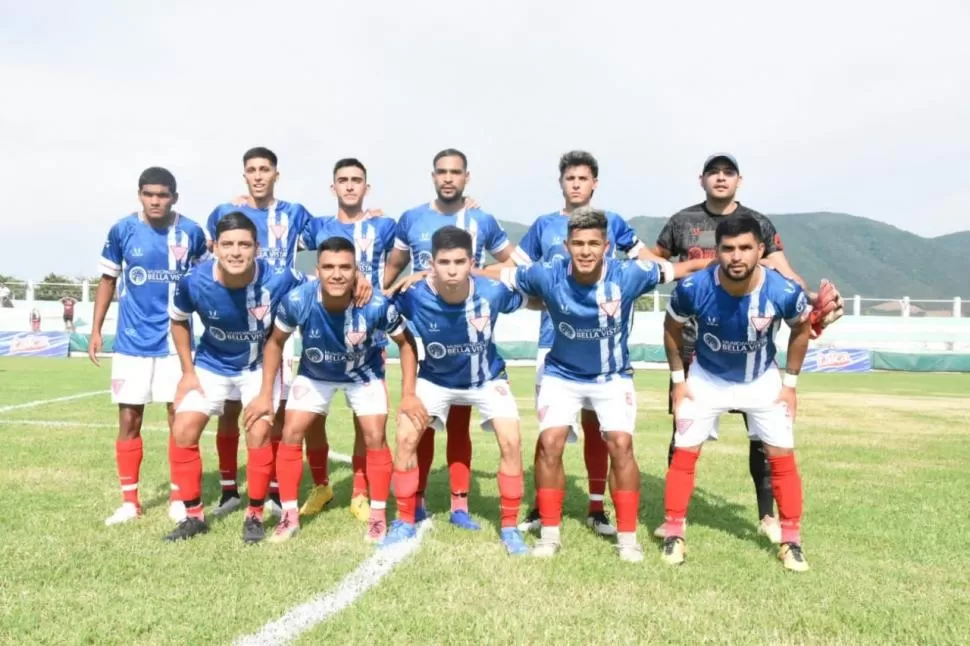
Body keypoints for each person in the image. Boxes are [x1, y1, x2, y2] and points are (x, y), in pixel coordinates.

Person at [650, 153, 843, 542]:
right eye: (713, 173)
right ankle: (676, 520)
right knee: (682, 436)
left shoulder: (759, 224)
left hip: (753, 348)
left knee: (763, 439)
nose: (720, 179)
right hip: (696, 349)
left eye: (728, 173)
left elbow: (783, 272)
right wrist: (689, 272)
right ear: (701, 179)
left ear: (739, 180)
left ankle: (768, 515)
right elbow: (654, 263)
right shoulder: (682, 222)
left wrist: (809, 302)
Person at [496, 207, 707, 561]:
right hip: (561, 374)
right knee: (550, 443)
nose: (586, 251)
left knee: (621, 445)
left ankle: (627, 539)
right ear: (566, 245)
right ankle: (549, 535)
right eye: (578, 243)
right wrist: (440, 272)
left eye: (593, 243)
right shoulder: (547, 274)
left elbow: (682, 268)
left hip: (612, 377)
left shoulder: (630, 274)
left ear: (607, 246)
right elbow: (499, 274)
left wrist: (736, 268)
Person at [504, 150, 657, 537]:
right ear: (561, 183)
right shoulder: (543, 226)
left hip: (603, 348)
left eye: (583, 179)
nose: (576, 185)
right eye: (570, 179)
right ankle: (543, 508)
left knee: (598, 429)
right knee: (550, 435)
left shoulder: (612, 223)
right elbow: (517, 270)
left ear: (594, 184)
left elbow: (646, 259)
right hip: (551, 344)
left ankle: (596, 507)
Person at [660, 213, 813, 572]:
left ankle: (791, 541)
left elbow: (802, 329)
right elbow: (671, 328)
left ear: (761, 250)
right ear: (718, 252)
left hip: (761, 380)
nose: (737, 256)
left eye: (746, 248)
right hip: (706, 377)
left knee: (781, 456)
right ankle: (673, 531)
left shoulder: (782, 290)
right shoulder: (693, 287)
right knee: (684, 454)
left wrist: (790, 384)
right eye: (728, 249)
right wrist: (679, 380)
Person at [249, 236, 424, 544]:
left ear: (356, 270)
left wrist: (408, 393)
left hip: (364, 373)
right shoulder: (298, 299)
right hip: (315, 374)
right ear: (317, 270)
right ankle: (289, 517)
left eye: (345, 267)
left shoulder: (376, 304)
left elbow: (407, 345)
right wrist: (265, 394)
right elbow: (274, 342)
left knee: (374, 435)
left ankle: (378, 516)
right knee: (291, 431)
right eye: (328, 267)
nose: (337, 274)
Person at [383, 148, 516, 531]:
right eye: (441, 172)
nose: (448, 178)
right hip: (430, 329)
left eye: (455, 172)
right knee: (422, 420)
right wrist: (400, 284)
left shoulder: (482, 218)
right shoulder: (411, 218)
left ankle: (460, 505)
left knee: (459, 425)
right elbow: (393, 268)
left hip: (469, 325)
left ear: (466, 177)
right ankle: (417, 500)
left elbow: (511, 265)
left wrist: (477, 271)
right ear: (432, 176)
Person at [382, 226, 528, 554]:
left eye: (460, 262)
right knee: (406, 436)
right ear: (431, 263)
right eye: (444, 262)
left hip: (487, 379)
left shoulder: (493, 293)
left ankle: (509, 527)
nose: (452, 269)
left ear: (471, 262)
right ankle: (405, 519)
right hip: (435, 381)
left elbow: (530, 295)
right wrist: (396, 285)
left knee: (512, 440)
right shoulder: (415, 295)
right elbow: (381, 302)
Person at [165, 212, 305, 543]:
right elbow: (178, 320)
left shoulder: (280, 278)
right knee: (183, 429)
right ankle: (193, 516)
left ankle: (254, 514)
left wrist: (359, 278)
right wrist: (187, 372)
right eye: (227, 244)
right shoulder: (194, 281)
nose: (236, 252)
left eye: (244, 244)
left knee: (258, 432)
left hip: (259, 367)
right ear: (214, 247)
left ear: (257, 247)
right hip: (211, 365)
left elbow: (322, 281)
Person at [91, 167, 208, 526]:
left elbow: (204, 284)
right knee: (129, 417)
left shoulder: (191, 232)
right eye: (149, 194)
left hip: (176, 344)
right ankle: (130, 502)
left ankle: (178, 496)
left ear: (174, 196)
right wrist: (96, 329)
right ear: (140, 195)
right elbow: (108, 280)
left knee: (180, 419)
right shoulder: (122, 230)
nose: (155, 200)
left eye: (163, 194)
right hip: (131, 342)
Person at [204, 147, 316, 520]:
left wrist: (367, 214)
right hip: (237, 317)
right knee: (229, 407)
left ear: (275, 175)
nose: (258, 176)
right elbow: (208, 252)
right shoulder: (225, 213)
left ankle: (269, 491)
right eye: (251, 170)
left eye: (264, 169)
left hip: (278, 319)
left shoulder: (294, 213)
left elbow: (327, 237)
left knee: (275, 409)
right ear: (244, 175)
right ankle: (228, 490)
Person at [295, 158, 398, 522]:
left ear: (366, 187)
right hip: (321, 328)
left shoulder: (384, 225)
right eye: (343, 180)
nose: (350, 186)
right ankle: (322, 485)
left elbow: (407, 254)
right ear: (333, 187)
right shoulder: (317, 227)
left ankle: (359, 491)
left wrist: (384, 287)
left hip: (366, 333)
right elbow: (285, 252)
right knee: (312, 419)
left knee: (364, 417)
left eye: (357, 180)